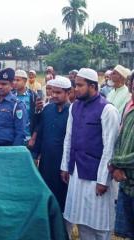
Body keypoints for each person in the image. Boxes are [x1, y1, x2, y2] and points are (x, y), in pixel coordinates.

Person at [61, 68, 120, 240]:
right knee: (81, 220)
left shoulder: (107, 110)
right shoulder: (74, 107)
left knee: (101, 224)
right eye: (75, 85)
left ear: (93, 86)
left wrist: (103, 180)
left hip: (96, 175)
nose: (75, 89)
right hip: (77, 172)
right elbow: (69, 138)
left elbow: (110, 147)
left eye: (80, 85)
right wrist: (65, 166)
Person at [33, 76, 71, 211]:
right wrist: (36, 154)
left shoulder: (72, 112)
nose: (54, 95)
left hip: (63, 164)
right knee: (47, 195)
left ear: (68, 93)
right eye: (52, 92)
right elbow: (40, 133)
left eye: (58, 92)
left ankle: (63, 229)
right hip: (46, 162)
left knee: (63, 198)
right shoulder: (47, 109)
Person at [110, 74, 134, 239]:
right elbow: (120, 137)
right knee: (128, 232)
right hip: (127, 182)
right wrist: (117, 168)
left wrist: (116, 162)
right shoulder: (129, 105)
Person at [0, 68, 27, 146]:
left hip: (8, 147)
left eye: (4, 84)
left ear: (12, 86)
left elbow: (20, 132)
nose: (0, 87)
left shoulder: (17, 105)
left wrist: (13, 151)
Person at [13, 70, 38, 145]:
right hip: (14, 136)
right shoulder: (11, 95)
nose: (15, 82)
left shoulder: (33, 96)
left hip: (28, 136)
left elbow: (37, 118)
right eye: (14, 80)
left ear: (25, 81)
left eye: (18, 80)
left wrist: (33, 138)